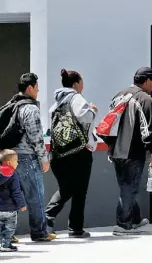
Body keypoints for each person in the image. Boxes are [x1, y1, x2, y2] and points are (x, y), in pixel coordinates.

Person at [106, 67, 152, 236]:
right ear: (148, 81)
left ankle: (135, 219)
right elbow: (147, 127)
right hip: (133, 151)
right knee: (130, 189)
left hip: (115, 151)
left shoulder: (119, 95)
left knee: (126, 187)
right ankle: (122, 225)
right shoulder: (145, 99)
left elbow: (110, 123)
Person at [45, 69, 97, 238]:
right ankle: (75, 228)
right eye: (81, 82)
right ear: (75, 84)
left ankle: (47, 219)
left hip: (60, 152)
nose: (83, 86)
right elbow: (86, 118)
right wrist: (92, 110)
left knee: (66, 188)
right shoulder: (76, 98)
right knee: (79, 190)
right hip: (78, 152)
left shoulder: (57, 102)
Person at [9, 73, 54, 242]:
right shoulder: (30, 108)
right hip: (27, 157)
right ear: (30, 88)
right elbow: (36, 136)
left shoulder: (12, 105)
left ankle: (6, 232)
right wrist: (44, 158)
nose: (38, 91)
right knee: (35, 196)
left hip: (9, 157)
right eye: (37, 88)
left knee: (13, 195)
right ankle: (39, 232)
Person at [0, 150, 27, 252]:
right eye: (16, 160)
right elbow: (16, 192)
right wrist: (22, 204)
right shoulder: (13, 174)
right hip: (10, 207)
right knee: (10, 227)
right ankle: (6, 244)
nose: (17, 163)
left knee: (1, 222)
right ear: (8, 163)